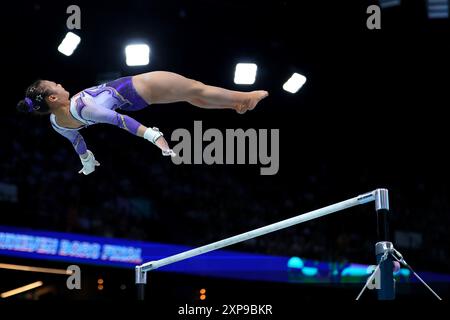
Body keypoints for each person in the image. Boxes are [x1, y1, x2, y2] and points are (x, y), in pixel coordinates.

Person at [17, 71, 269, 175]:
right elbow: (119, 121)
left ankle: (234, 104)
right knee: (196, 89)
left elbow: (78, 141)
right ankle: (247, 97)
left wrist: (86, 161)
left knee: (191, 96)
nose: (61, 86)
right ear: (52, 97)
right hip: (140, 85)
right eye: (56, 87)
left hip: (135, 100)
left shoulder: (57, 122)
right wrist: (153, 137)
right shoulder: (84, 107)